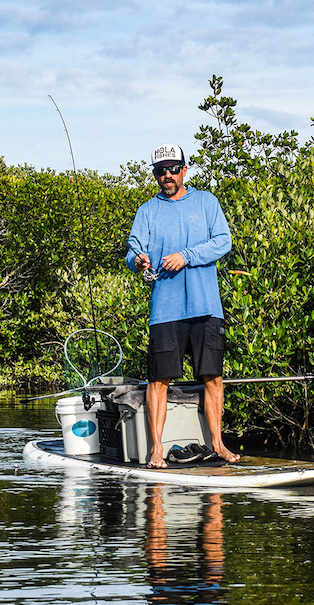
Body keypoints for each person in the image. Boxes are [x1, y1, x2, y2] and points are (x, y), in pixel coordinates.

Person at [126, 143, 238, 468]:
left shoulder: (206, 202)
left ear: (185, 170)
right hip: (165, 311)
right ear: (155, 175)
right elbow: (132, 251)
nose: (168, 175)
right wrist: (139, 261)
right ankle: (156, 450)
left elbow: (223, 242)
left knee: (212, 378)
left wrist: (185, 257)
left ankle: (218, 444)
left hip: (206, 308)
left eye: (174, 169)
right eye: (161, 171)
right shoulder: (147, 210)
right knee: (158, 381)